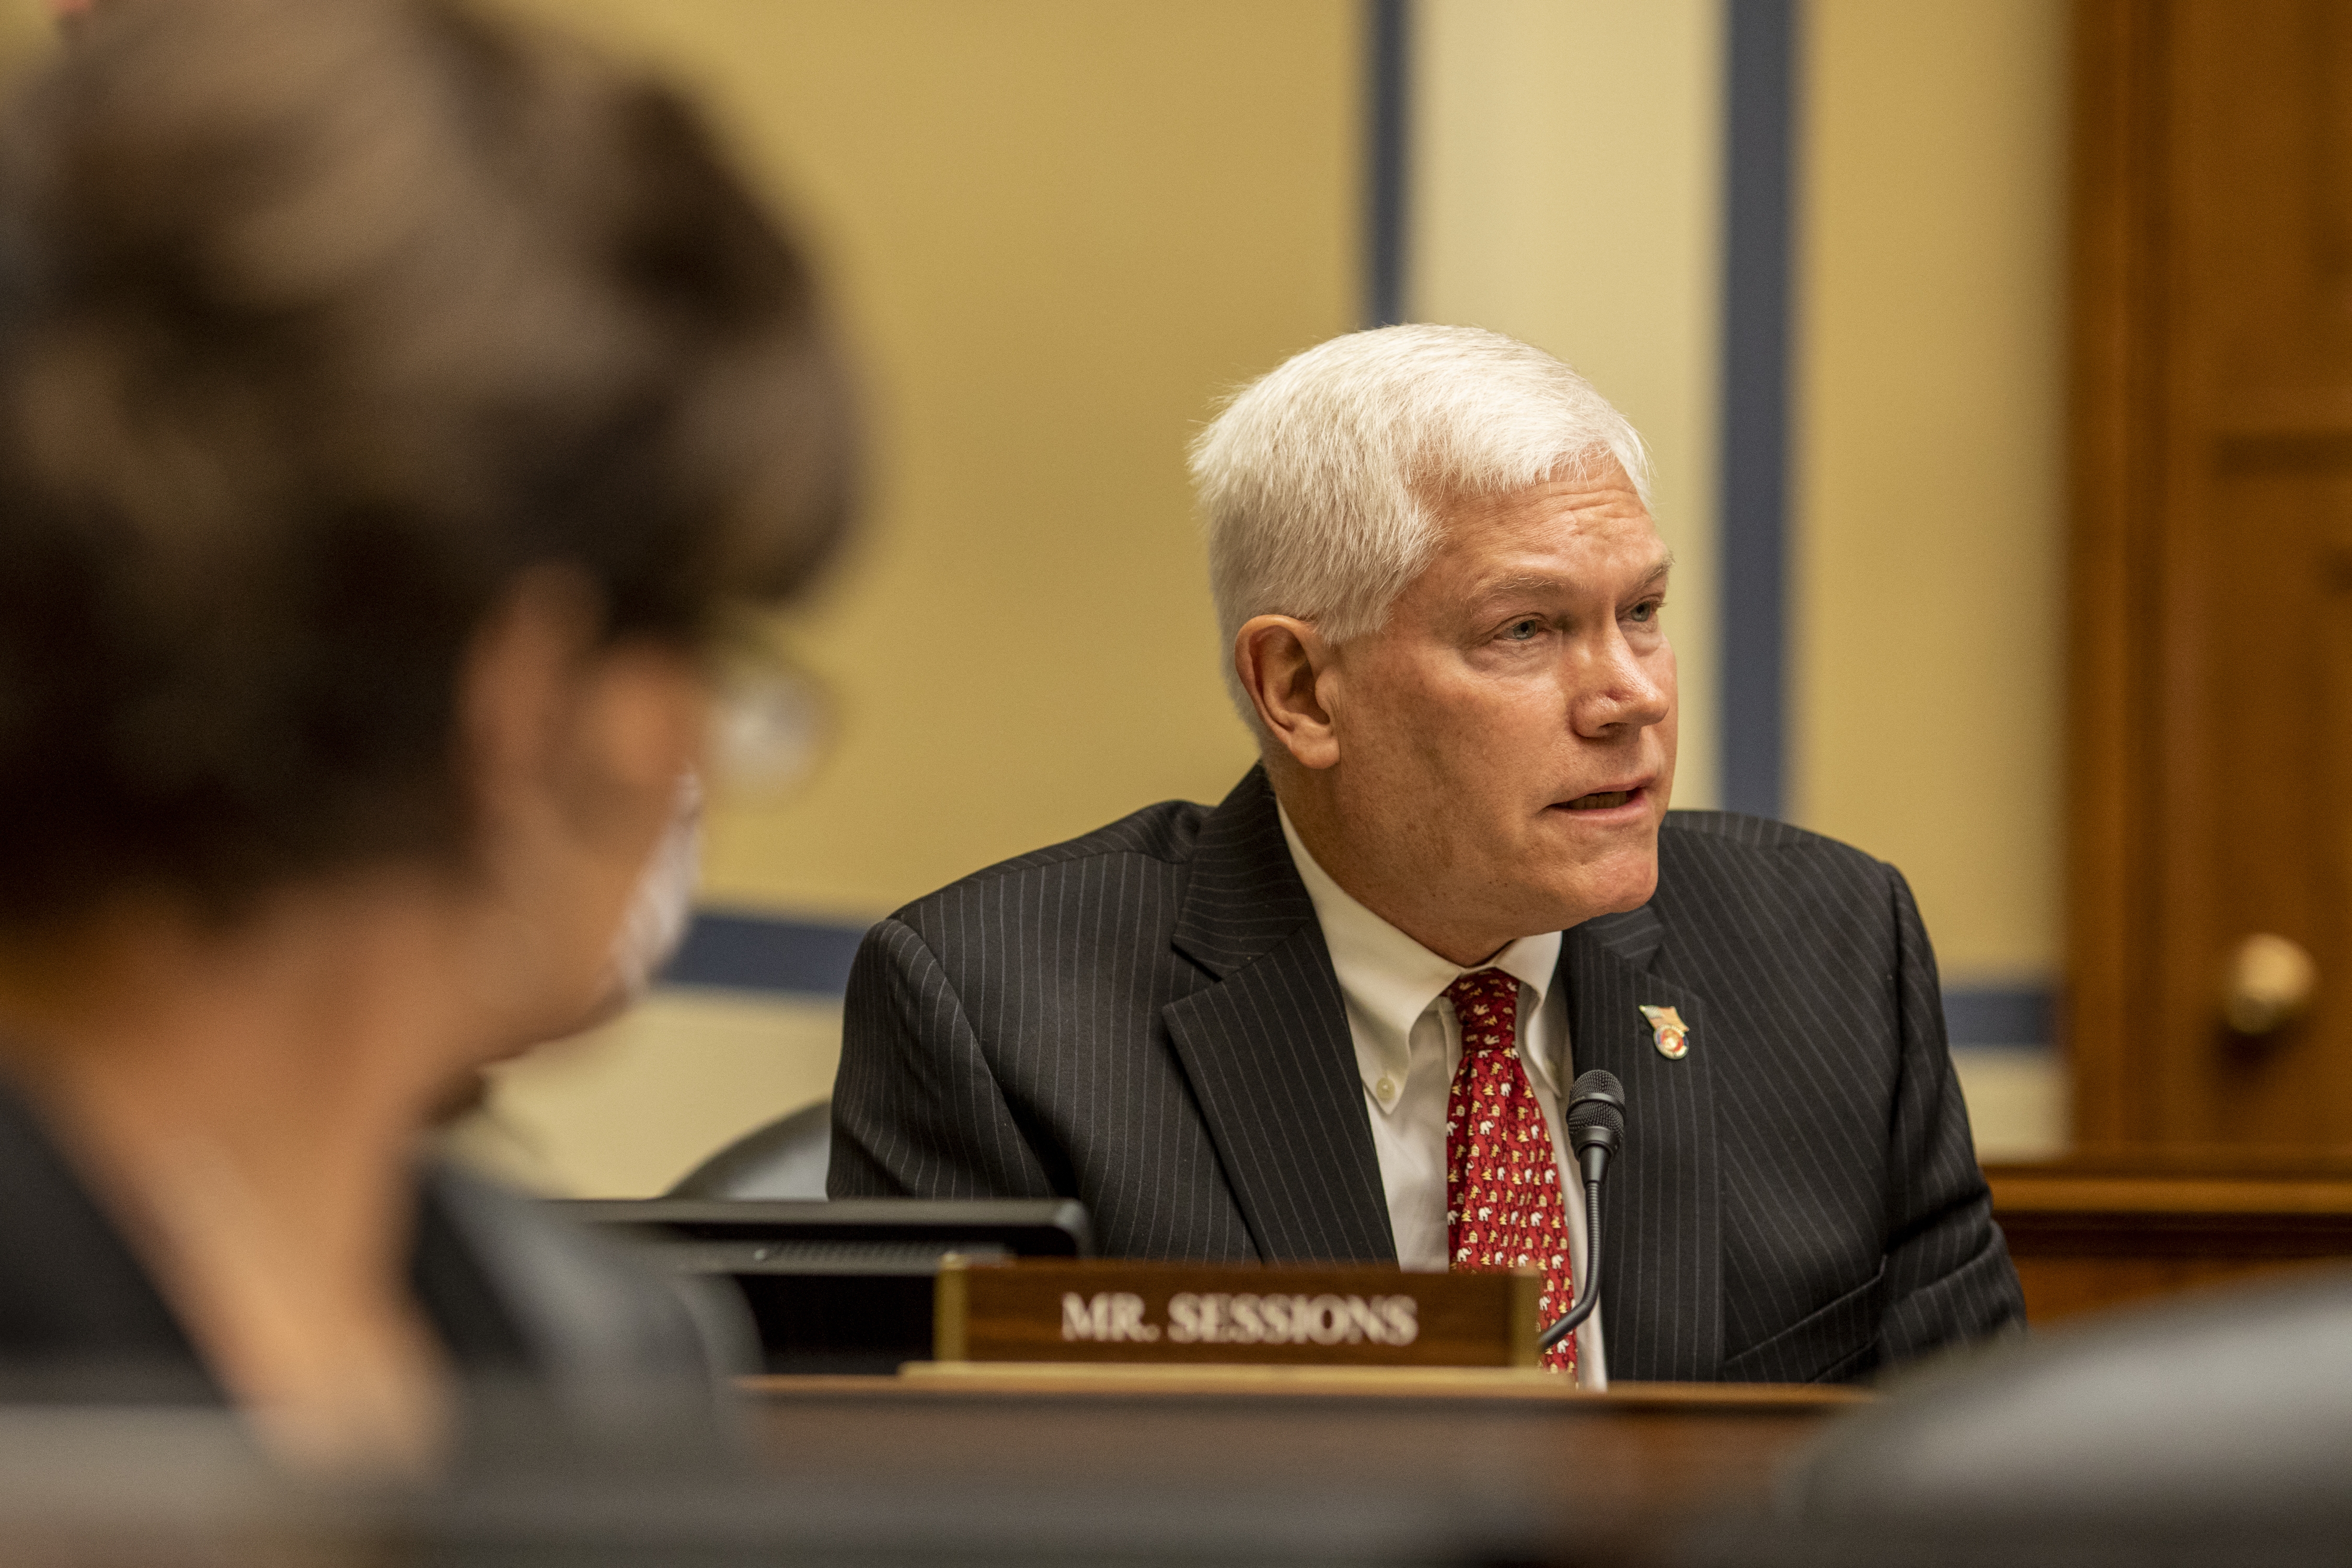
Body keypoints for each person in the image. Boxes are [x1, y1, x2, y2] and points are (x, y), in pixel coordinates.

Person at [831, 325, 2019, 1386]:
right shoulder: (1001, 1013)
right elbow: (958, 1507)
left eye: (1642, 613)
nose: (1631, 696)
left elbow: (1980, 1485)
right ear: (1301, 689)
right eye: (1527, 629)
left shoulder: (1831, 953)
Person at [0, 0, 852, 1470]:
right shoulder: (580, 1380)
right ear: (526, 699)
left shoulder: (585, 1346)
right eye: (705, 657)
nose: (705, 754)